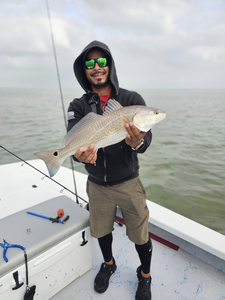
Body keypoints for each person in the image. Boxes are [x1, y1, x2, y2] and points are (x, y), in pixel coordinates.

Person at [67, 40, 153, 300]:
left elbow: (145, 141)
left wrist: (136, 141)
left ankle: (145, 275)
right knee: (101, 231)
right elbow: (74, 145)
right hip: (97, 185)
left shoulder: (131, 100)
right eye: (90, 63)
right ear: (84, 70)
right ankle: (109, 263)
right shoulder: (78, 106)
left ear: (109, 65)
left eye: (101, 61)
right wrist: (81, 158)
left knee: (140, 234)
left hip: (128, 182)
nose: (96, 67)